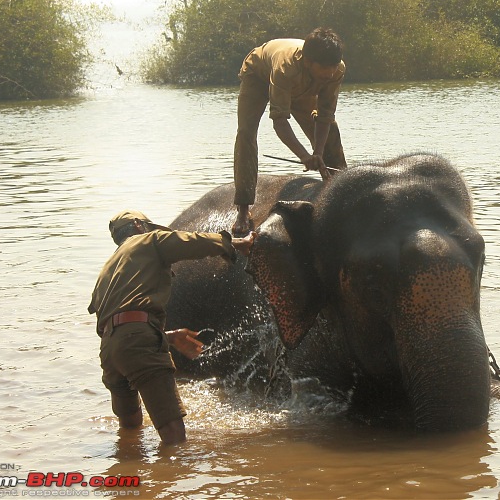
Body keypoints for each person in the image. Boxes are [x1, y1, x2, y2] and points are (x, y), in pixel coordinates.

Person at [88, 210, 255, 445]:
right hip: (136, 341)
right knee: (173, 433)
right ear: (138, 225)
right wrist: (236, 244)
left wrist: (167, 336)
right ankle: (170, 477)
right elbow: (190, 241)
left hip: (109, 350)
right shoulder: (147, 240)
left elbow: (118, 324)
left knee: (130, 428)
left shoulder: (108, 267)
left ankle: (127, 472)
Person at [232, 27, 348, 236]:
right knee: (246, 134)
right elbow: (280, 122)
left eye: (333, 67)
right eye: (324, 67)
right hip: (259, 76)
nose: (330, 73)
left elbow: (324, 117)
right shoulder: (285, 68)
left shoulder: (336, 69)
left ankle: (340, 190)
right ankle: (242, 208)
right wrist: (304, 156)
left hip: (302, 86)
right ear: (308, 61)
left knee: (331, 130)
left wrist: (318, 153)